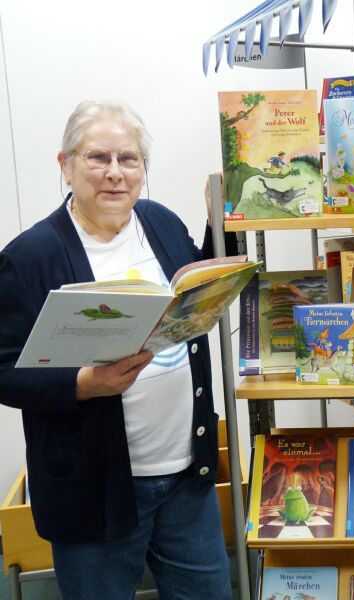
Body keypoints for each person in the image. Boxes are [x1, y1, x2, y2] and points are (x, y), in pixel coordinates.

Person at [0, 101, 233, 599]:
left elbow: (192, 292)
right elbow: (3, 368)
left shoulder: (161, 223)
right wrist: (82, 385)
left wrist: (221, 226)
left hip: (186, 477)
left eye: (129, 159)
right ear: (64, 165)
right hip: (95, 491)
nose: (114, 174)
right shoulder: (29, 257)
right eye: (98, 157)